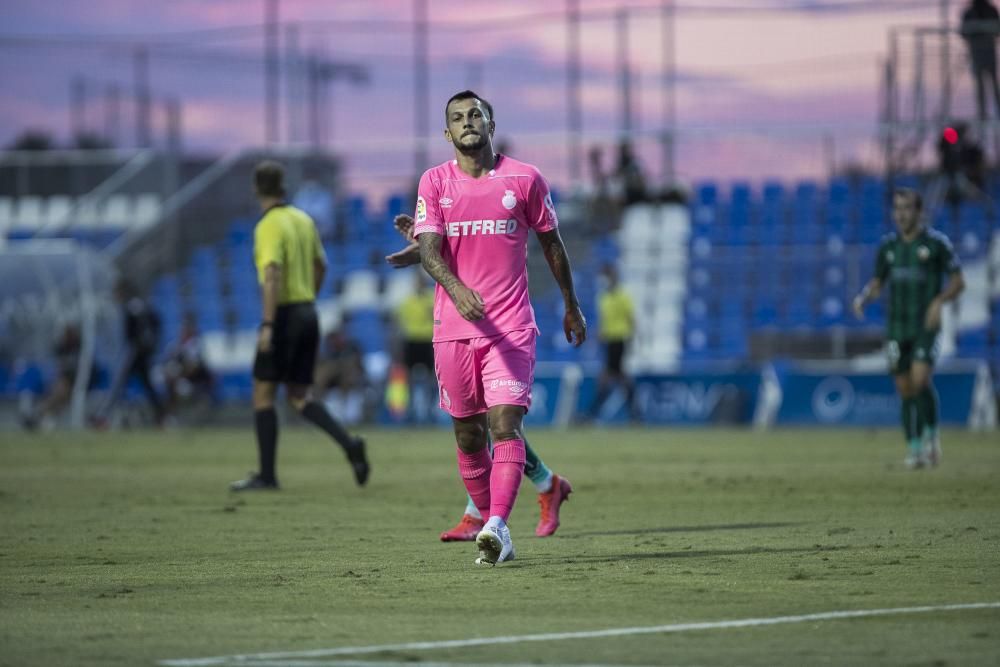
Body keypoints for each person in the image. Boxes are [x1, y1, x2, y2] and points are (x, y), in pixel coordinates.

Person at [400, 89, 586, 565]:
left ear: (491, 122)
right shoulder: (434, 182)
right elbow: (432, 250)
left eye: (475, 114)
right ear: (447, 132)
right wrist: (449, 280)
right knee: (468, 434)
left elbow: (552, 244)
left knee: (505, 424)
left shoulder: (525, 179)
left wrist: (571, 304)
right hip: (453, 330)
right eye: (458, 118)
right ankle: (504, 507)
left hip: (510, 326)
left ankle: (497, 526)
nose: (468, 122)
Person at [387, 216, 576, 542]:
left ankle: (487, 515)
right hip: (458, 328)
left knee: (500, 425)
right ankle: (540, 487)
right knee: (477, 429)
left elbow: (490, 250)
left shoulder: (506, 191)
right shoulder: (444, 190)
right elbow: (463, 252)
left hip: (503, 324)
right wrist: (426, 246)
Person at [230, 160, 369, 491]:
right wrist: (309, 299)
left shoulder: (268, 225)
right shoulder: (302, 219)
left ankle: (267, 475)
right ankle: (350, 445)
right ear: (283, 187)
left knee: (263, 394)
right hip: (308, 311)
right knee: (299, 396)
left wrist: (268, 323)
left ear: (256, 189)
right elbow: (321, 265)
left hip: (284, 315)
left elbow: (272, 273)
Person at [852, 189, 965, 469]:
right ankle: (914, 449)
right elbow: (878, 281)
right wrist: (864, 297)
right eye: (897, 208)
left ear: (919, 211)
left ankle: (931, 438)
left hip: (925, 326)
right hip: (896, 327)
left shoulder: (936, 245)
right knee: (904, 388)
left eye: (906, 208)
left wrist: (939, 302)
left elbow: (958, 281)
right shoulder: (888, 248)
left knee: (920, 378)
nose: (901, 214)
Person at [90, 280, 167, 428]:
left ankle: (103, 417)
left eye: (117, 293)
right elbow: (156, 324)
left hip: (134, 353)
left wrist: (136, 345)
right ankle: (162, 418)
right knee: (147, 387)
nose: (116, 296)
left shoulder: (132, 308)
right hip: (143, 353)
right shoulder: (142, 305)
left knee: (119, 385)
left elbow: (132, 332)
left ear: (124, 292)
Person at [21, 323, 97, 430]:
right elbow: (59, 367)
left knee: (60, 393)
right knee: (60, 395)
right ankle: (41, 417)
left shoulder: (81, 348)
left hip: (82, 382)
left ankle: (37, 415)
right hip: (67, 382)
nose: (67, 336)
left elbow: (87, 369)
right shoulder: (62, 348)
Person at [587, 264, 637, 421]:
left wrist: (632, 340)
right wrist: (597, 337)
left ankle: (591, 414)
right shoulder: (604, 298)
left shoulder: (623, 296)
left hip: (620, 340)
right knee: (620, 377)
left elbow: (631, 319)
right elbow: (603, 321)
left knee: (607, 378)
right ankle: (635, 414)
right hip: (609, 342)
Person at [394, 272, 436, 423]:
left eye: (422, 282)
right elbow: (400, 324)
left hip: (427, 340)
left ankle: (429, 410)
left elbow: (436, 318)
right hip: (411, 341)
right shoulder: (407, 302)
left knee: (431, 377)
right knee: (409, 378)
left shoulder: (432, 299)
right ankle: (410, 410)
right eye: (417, 282)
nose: (419, 285)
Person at [161, 312, 214, 418]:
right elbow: (167, 361)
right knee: (169, 382)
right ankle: (169, 415)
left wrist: (179, 376)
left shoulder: (195, 345)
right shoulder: (177, 346)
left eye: (185, 330)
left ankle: (172, 414)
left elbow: (194, 367)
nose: (183, 333)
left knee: (176, 385)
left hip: (196, 380)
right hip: (183, 379)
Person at [961, 0, 1000, 121]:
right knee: (981, 86)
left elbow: (997, 30)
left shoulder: (989, 11)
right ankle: (982, 114)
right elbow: (964, 32)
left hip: (987, 53)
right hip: (977, 53)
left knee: (992, 85)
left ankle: (992, 113)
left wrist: (979, 28)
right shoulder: (970, 12)